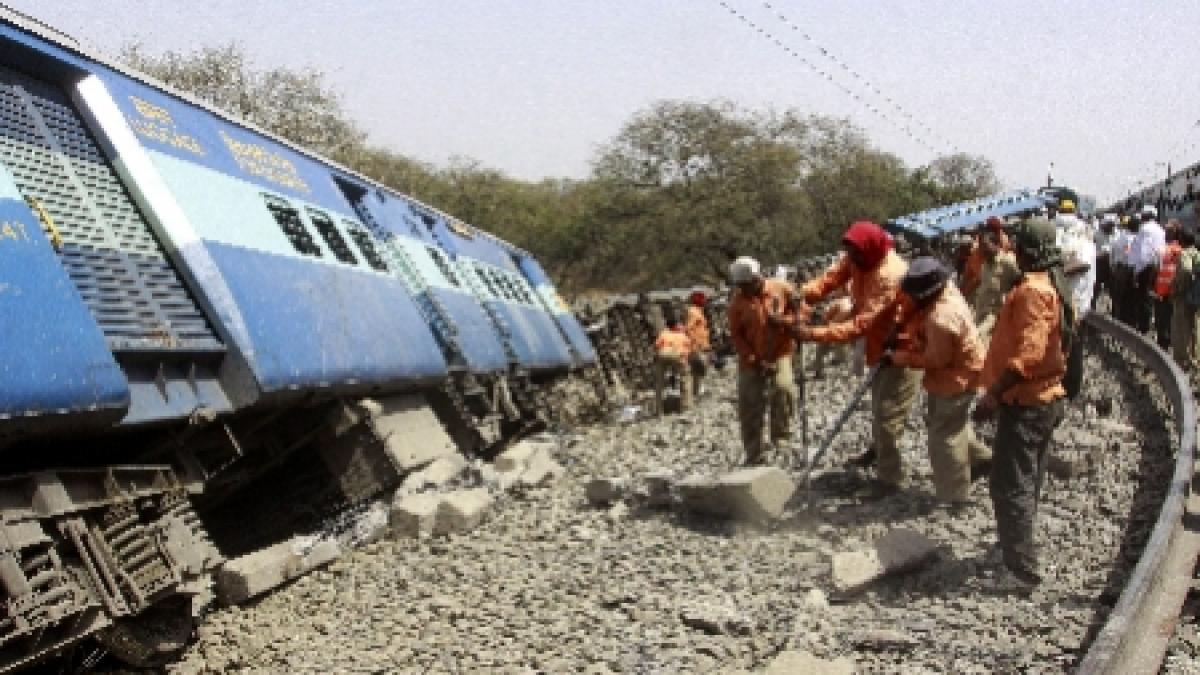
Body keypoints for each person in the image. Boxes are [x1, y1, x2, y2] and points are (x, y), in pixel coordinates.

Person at [973, 217, 1071, 588]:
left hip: (1026, 402)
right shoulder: (1051, 284)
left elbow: (1030, 353)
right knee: (1027, 480)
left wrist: (993, 394)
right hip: (1043, 397)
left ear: (1028, 251)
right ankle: (1015, 546)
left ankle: (1020, 570)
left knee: (1008, 484)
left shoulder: (1033, 291)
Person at [793, 221, 914, 496]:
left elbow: (862, 324)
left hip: (902, 348)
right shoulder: (858, 257)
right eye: (850, 253)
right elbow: (830, 279)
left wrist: (812, 334)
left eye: (856, 253)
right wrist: (803, 295)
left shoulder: (889, 275)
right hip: (877, 346)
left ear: (871, 249)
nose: (851, 258)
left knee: (889, 415)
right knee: (880, 405)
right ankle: (878, 450)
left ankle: (890, 480)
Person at [889, 258, 991, 505]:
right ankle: (983, 459)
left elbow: (936, 359)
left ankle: (954, 495)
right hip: (964, 369)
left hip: (956, 378)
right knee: (953, 425)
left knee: (944, 437)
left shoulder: (941, 318)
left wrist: (902, 357)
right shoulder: (948, 290)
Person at [727, 256, 798, 465]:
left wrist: (784, 321)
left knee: (783, 389)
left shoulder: (782, 289)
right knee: (749, 404)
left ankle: (781, 440)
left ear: (757, 279)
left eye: (747, 284)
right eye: (741, 286)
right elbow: (737, 335)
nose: (744, 289)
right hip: (752, 359)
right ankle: (753, 452)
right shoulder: (737, 303)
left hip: (780, 352)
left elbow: (800, 313)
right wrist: (753, 359)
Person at [972, 229, 1021, 345]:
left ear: (996, 245)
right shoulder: (984, 265)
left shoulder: (1008, 262)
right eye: (980, 246)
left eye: (985, 245)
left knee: (978, 341)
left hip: (994, 317)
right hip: (980, 313)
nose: (982, 250)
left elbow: (1020, 281)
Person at [1131, 205, 1165, 334]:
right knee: (1151, 297)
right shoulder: (1160, 229)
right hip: (1157, 266)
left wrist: (1137, 271)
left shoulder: (1144, 229)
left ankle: (1143, 327)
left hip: (1146, 268)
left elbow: (1144, 253)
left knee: (1143, 298)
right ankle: (1151, 323)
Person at [653, 308, 692, 415]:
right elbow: (688, 349)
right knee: (685, 378)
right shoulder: (682, 335)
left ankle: (659, 410)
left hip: (662, 353)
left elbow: (656, 346)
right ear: (676, 325)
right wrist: (684, 362)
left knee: (659, 383)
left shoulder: (663, 333)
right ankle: (685, 407)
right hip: (677, 354)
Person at [1171, 226, 1200, 370]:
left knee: (1181, 328)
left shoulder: (1185, 254)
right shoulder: (1197, 253)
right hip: (1194, 298)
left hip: (1184, 298)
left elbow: (1186, 270)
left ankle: (1182, 360)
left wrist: (1179, 288)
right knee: (1194, 327)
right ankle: (1194, 358)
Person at [1153, 221, 1183, 350]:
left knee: (1162, 321)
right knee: (1174, 320)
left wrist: (1151, 287)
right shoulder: (1182, 250)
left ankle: (1163, 346)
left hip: (1161, 291)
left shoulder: (1161, 250)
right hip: (1176, 291)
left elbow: (1155, 270)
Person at [811, 288, 853, 378]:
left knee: (820, 351)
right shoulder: (851, 302)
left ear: (843, 291)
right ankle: (844, 367)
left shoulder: (838, 302)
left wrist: (822, 324)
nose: (834, 292)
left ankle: (818, 372)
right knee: (842, 349)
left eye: (837, 290)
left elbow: (825, 318)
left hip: (832, 329)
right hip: (845, 330)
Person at [685, 291, 711, 398]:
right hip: (697, 345)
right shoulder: (694, 312)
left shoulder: (697, 311)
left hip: (700, 344)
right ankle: (697, 391)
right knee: (700, 367)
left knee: (698, 368)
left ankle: (697, 390)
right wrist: (695, 343)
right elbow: (689, 328)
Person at [1093, 214, 1116, 310]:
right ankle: (1093, 305)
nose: (1111, 227)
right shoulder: (1096, 234)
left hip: (1111, 264)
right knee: (1096, 286)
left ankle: (1111, 307)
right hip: (1099, 263)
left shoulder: (1116, 234)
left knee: (1111, 287)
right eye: (1109, 225)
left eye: (1112, 225)